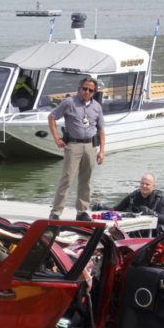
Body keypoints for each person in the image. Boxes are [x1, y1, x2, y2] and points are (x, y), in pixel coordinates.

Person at [47, 76, 106, 221]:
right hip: (73, 145)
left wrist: (102, 151)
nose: (87, 92)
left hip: (90, 146)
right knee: (67, 179)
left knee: (86, 180)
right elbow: (52, 117)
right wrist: (57, 139)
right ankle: (56, 212)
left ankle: (82, 212)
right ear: (79, 88)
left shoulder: (97, 107)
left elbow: (101, 130)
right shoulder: (69, 103)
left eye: (90, 90)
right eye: (84, 88)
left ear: (94, 92)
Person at [96, 173, 164, 237]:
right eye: (142, 183)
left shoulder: (160, 199)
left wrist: (151, 212)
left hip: (155, 234)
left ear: (153, 187)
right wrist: (102, 207)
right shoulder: (133, 196)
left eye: (147, 184)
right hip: (137, 233)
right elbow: (117, 209)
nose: (144, 186)